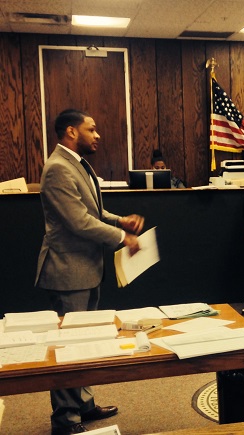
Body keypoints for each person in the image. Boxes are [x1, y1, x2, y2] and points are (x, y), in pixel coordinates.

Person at [35, 109, 145, 435]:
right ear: (71, 132)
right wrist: (122, 237)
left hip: (87, 268)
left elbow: (92, 209)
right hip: (67, 272)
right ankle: (66, 421)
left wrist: (119, 220)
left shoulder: (76, 163)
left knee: (86, 342)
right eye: (91, 129)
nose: (97, 135)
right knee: (68, 347)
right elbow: (78, 221)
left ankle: (84, 404)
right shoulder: (56, 169)